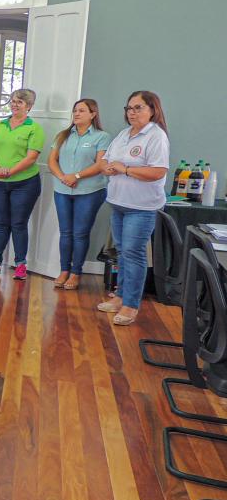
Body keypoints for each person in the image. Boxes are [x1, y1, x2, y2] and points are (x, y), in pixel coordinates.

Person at [97, 91, 170, 325]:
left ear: (152, 110)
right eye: (129, 108)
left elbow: (158, 171)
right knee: (122, 252)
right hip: (118, 202)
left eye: (138, 108)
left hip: (141, 207)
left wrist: (125, 169)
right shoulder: (123, 134)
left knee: (134, 253)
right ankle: (120, 297)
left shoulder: (156, 136)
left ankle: (131, 305)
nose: (132, 112)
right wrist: (107, 167)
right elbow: (107, 160)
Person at [48, 99, 111, 290]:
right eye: (75, 110)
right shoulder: (63, 136)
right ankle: (64, 270)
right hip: (63, 190)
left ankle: (76, 273)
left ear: (93, 114)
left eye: (82, 110)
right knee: (66, 232)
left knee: (80, 233)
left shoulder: (102, 137)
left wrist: (76, 176)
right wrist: (63, 178)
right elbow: (52, 161)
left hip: (90, 191)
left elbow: (100, 164)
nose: (76, 114)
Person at [0, 89, 45, 280]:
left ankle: (20, 264)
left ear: (29, 106)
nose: (15, 105)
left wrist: (10, 171)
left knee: (18, 223)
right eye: (13, 101)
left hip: (24, 184)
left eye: (20, 102)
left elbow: (32, 157)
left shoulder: (34, 128)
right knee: (0, 223)